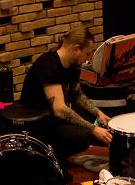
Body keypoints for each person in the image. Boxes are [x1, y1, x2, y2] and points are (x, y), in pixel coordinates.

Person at [19, 26, 112, 174]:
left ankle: (56, 156)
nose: (89, 58)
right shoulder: (49, 65)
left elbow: (77, 95)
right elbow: (59, 110)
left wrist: (98, 114)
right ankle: (47, 160)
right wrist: (93, 129)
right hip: (37, 124)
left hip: (52, 119)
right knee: (85, 135)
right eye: (88, 53)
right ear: (76, 49)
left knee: (95, 123)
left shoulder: (73, 65)